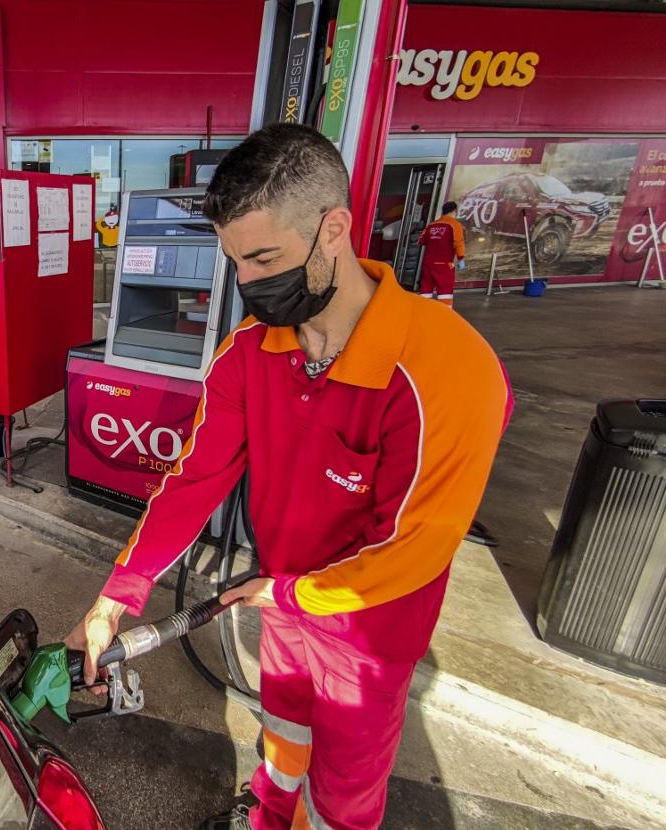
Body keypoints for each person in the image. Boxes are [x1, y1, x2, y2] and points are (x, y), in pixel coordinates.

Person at [65, 124, 512, 830]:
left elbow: (416, 548)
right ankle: (272, 818)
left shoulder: (448, 372)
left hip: (367, 632)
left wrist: (291, 593)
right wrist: (117, 596)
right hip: (281, 602)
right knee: (282, 741)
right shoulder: (252, 352)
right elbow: (194, 477)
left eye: (264, 257)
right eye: (235, 260)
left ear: (333, 228)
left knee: (346, 790)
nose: (246, 282)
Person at [417, 200, 466, 306]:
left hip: (428, 264)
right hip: (444, 264)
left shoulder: (431, 225)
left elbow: (421, 240)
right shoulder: (455, 225)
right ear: (454, 211)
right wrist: (461, 258)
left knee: (425, 290)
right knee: (445, 292)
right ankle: (445, 316)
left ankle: (422, 312)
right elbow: (459, 242)